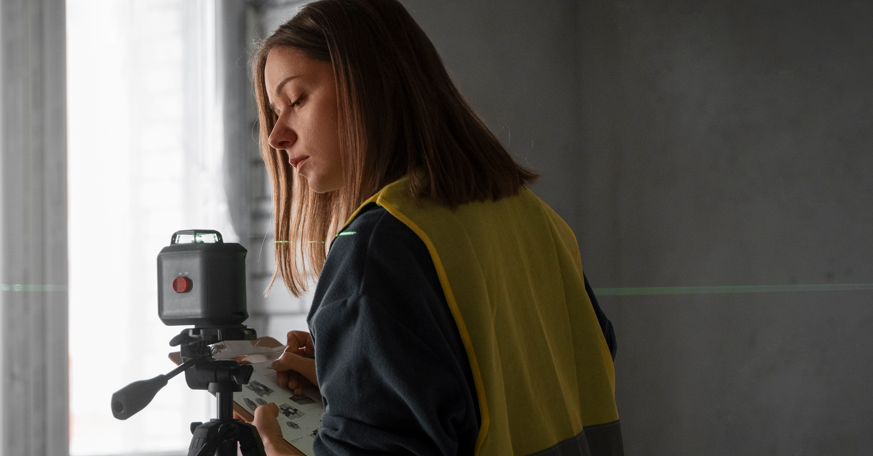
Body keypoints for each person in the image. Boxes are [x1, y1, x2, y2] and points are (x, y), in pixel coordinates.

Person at [241, 1, 622, 455]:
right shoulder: (535, 218)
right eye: (275, 112)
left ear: (371, 85)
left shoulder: (377, 248)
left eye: (297, 99)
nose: (276, 136)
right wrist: (356, 378)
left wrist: (277, 447)